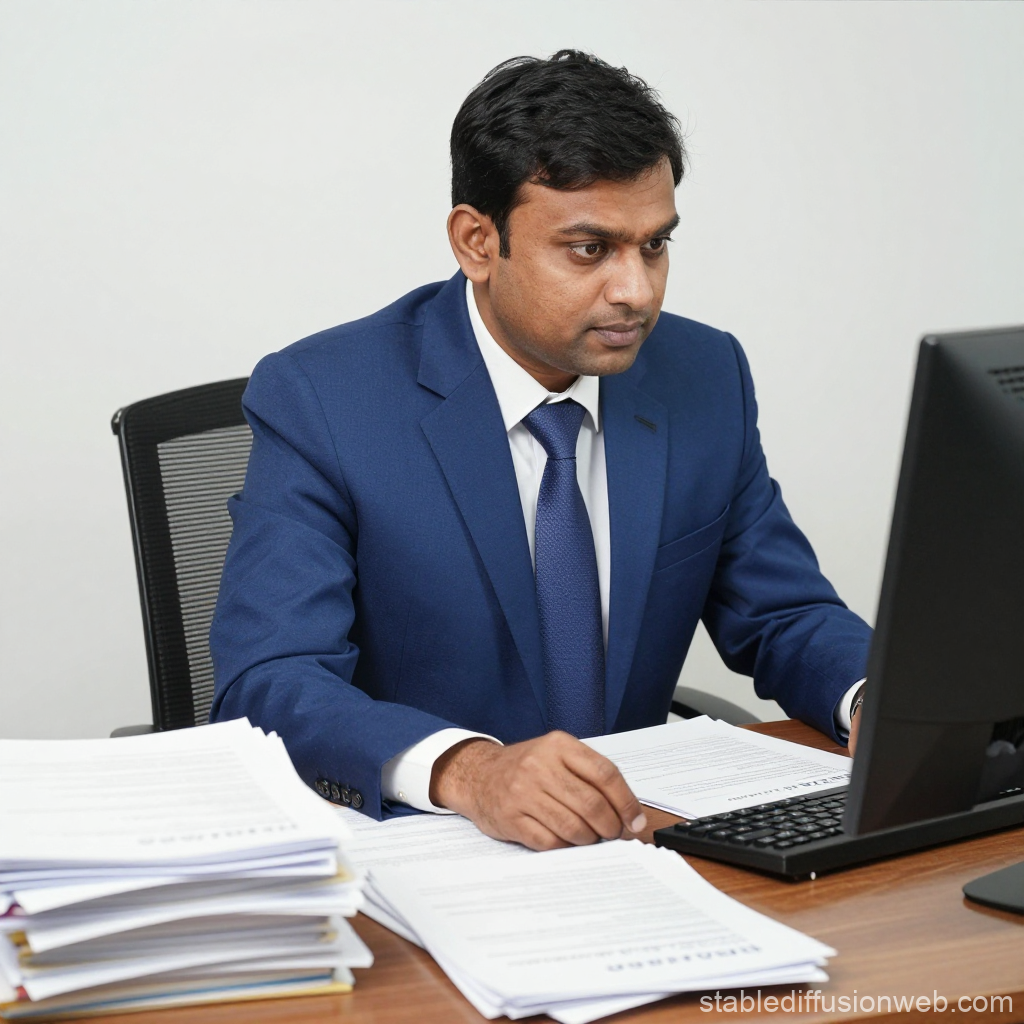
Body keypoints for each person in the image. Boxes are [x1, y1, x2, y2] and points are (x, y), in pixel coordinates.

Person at [210, 50, 871, 851]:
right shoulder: (324, 398)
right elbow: (271, 679)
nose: (638, 291)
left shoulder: (703, 375)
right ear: (477, 242)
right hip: (427, 848)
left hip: (634, 842)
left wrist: (880, 703)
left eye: (654, 245)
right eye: (591, 250)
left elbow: (785, 613)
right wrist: (469, 771)